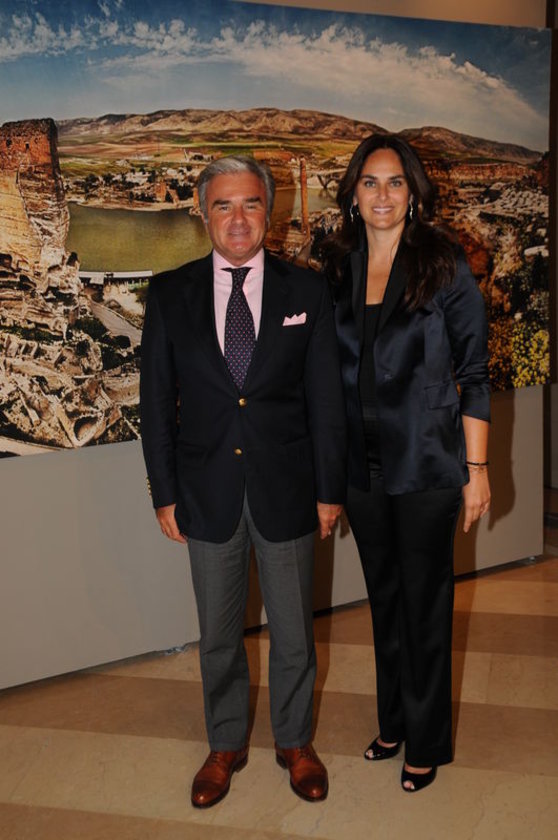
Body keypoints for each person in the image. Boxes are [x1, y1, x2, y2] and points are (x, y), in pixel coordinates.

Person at [140, 155, 346, 807]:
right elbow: (155, 404)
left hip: (287, 489)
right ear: (203, 213)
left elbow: (326, 402)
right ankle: (224, 743)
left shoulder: (306, 292)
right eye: (223, 205)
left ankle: (295, 741)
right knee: (219, 636)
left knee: (294, 632)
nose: (237, 218)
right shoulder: (169, 294)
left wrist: (329, 490)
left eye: (250, 203)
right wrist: (165, 493)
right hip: (206, 494)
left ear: (269, 210)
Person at [321, 134, 490, 793]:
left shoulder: (442, 264)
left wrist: (477, 471)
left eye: (395, 182)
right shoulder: (339, 266)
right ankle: (392, 722)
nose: (383, 195)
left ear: (414, 193)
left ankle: (426, 740)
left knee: (424, 606)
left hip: (426, 463)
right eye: (370, 182)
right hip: (361, 468)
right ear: (353, 194)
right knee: (385, 600)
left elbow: (474, 374)